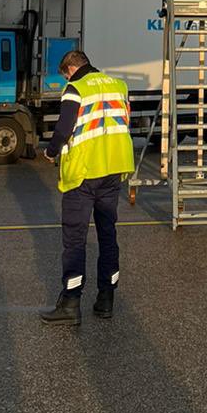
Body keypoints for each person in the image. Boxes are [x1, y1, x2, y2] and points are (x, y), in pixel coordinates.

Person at [40, 49, 134, 324]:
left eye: (65, 74)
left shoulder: (75, 88)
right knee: (108, 235)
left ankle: (70, 303)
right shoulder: (118, 85)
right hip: (114, 169)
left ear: (70, 68)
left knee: (75, 240)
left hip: (83, 174)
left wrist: (51, 151)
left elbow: (64, 128)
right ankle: (106, 298)